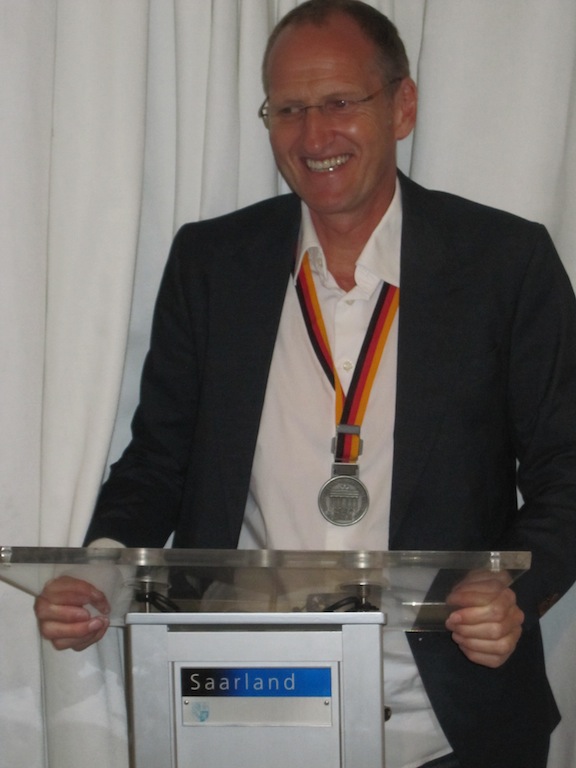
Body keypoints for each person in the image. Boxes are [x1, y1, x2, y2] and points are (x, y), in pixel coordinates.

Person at [34, 1, 576, 766]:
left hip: (451, 722)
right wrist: (101, 569)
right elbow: (159, 460)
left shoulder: (505, 263)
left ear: (403, 106)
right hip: (245, 710)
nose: (313, 136)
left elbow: (567, 468)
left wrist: (512, 590)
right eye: (288, 109)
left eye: (339, 102)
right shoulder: (212, 265)